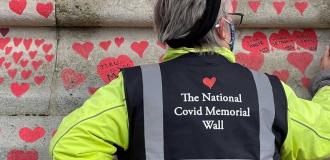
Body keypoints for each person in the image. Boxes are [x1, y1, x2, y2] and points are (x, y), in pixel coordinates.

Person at [49, 0, 330, 159]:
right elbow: (324, 139)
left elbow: (68, 144)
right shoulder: (268, 91)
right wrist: (326, 82)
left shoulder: (134, 87)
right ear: (222, 28)